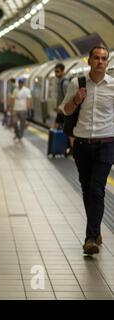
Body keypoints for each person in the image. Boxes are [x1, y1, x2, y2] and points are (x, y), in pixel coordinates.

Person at [61, 46, 114, 255]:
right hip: (82, 144)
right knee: (86, 189)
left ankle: (90, 238)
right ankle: (96, 230)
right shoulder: (78, 83)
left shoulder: (113, 86)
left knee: (97, 189)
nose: (100, 62)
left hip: (107, 143)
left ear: (107, 62)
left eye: (104, 59)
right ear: (89, 60)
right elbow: (66, 110)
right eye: (96, 58)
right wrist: (76, 100)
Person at [11, 77, 32, 142]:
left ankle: (20, 135)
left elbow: (28, 99)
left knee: (22, 124)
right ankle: (17, 134)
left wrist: (27, 108)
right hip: (15, 109)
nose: (20, 84)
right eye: (19, 82)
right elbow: (12, 99)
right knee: (14, 122)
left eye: (22, 82)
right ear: (18, 83)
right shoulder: (15, 90)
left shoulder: (27, 90)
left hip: (23, 109)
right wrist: (11, 108)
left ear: (23, 83)